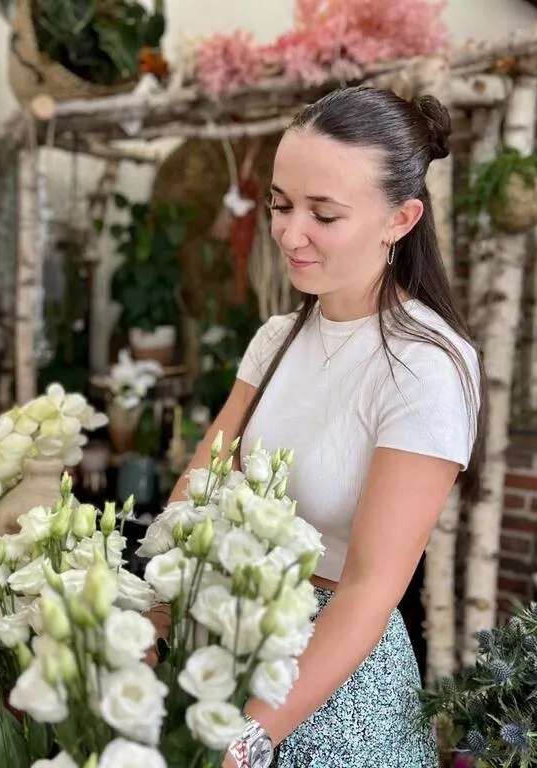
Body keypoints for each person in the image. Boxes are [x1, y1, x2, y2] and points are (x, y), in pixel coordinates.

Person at [151, 86, 485, 767]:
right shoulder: (276, 340)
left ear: (401, 219)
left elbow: (369, 589)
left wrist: (248, 737)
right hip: (223, 643)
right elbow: (200, 488)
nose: (288, 232)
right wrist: (155, 618)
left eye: (324, 214)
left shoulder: (426, 367)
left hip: (334, 691)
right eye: (281, 204)